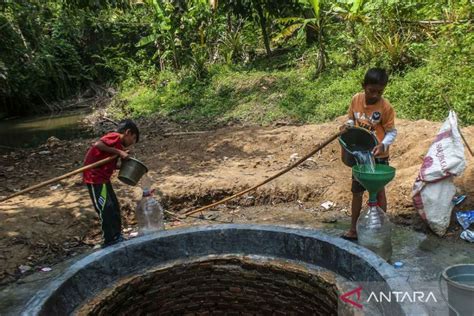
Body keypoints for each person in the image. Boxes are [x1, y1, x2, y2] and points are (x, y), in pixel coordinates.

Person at [340, 68, 397, 241]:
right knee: (357, 192)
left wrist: (383, 145)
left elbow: (392, 132)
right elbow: (351, 119)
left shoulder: (385, 107)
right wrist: (347, 126)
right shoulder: (356, 99)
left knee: (379, 192)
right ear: (364, 86)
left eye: (380, 91)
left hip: (377, 155)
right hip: (361, 156)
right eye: (371, 90)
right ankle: (353, 229)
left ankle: (378, 231)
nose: (375, 95)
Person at [83, 119, 139, 247]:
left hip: (104, 178)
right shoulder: (114, 137)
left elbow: (110, 164)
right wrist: (119, 152)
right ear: (127, 132)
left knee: (113, 205)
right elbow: (98, 145)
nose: (132, 143)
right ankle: (109, 239)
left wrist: (126, 164)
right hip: (94, 178)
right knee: (105, 207)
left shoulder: (118, 146)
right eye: (133, 138)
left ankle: (117, 236)